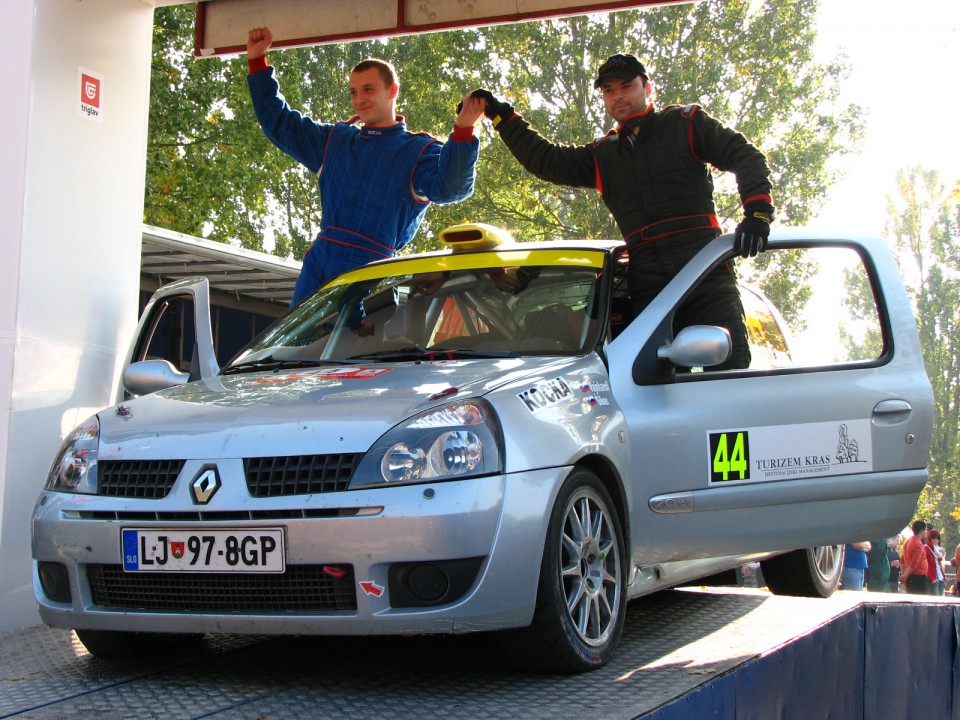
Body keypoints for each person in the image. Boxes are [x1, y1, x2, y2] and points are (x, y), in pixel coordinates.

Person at [473, 53, 775, 369]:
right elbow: (544, 160)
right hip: (647, 277)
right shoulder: (602, 155)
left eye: (627, 86)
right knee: (653, 380)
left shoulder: (685, 124)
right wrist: (502, 117)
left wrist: (757, 213)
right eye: (609, 90)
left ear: (648, 88)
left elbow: (747, 156)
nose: (618, 96)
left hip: (703, 268)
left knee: (731, 367)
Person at [246, 27, 485, 307]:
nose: (359, 98)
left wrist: (464, 131)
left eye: (368, 89)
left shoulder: (418, 151)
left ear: (392, 91)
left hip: (373, 275)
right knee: (294, 350)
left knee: (358, 352)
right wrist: (257, 61)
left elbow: (451, 189)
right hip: (318, 269)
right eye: (353, 92)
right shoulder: (334, 140)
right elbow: (280, 123)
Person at [899, 520, 930, 595]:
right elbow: (914, 563)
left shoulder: (908, 541)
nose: (926, 532)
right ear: (921, 531)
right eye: (925, 530)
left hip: (910, 575)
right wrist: (905, 575)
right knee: (920, 599)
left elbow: (902, 559)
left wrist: (903, 573)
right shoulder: (918, 544)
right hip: (917, 576)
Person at [926, 528, 945, 596]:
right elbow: (925, 565)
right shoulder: (926, 548)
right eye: (933, 538)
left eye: (938, 538)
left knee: (941, 603)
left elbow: (939, 564)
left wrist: (943, 577)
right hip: (932, 579)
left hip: (940, 578)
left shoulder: (938, 549)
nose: (936, 540)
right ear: (930, 538)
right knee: (934, 603)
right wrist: (931, 578)